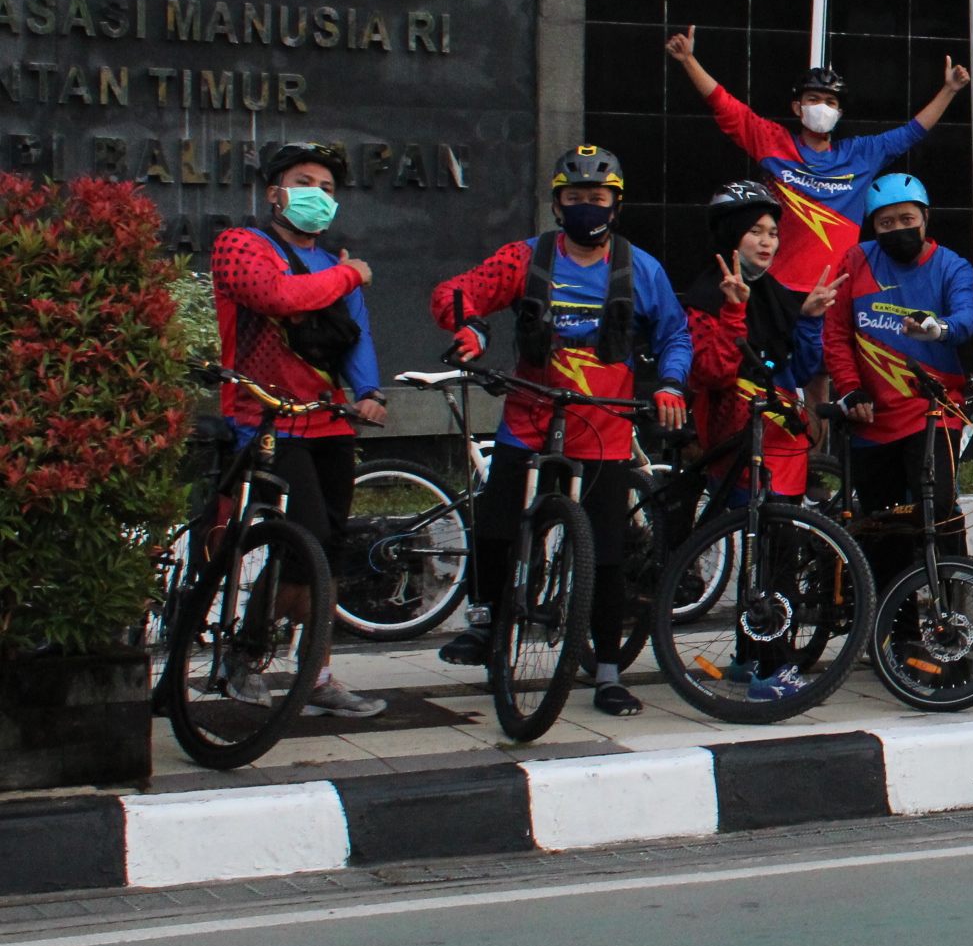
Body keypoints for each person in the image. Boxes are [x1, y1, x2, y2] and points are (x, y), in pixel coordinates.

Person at [431, 144, 691, 715]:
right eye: (575, 199)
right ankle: (487, 623)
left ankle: (606, 672)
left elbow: (676, 334)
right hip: (528, 424)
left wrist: (670, 384)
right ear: (556, 205)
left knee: (605, 557)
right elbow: (456, 292)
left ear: (615, 206)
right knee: (497, 529)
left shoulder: (640, 268)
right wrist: (470, 328)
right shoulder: (525, 258)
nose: (586, 208)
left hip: (603, 433)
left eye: (597, 199)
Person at [207, 140, 388, 718]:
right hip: (263, 419)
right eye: (305, 183)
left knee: (328, 548)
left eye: (328, 188)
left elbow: (355, 336)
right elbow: (276, 296)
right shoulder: (241, 246)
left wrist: (370, 392)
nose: (318, 195)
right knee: (303, 537)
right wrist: (348, 275)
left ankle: (318, 672)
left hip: (327, 419)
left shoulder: (336, 266)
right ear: (275, 193)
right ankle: (247, 653)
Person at [664, 27, 971, 291]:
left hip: (835, 292)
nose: (821, 107)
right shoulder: (773, 142)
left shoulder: (860, 155)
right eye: (813, 99)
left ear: (838, 113)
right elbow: (727, 107)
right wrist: (688, 60)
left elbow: (911, 132)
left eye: (830, 102)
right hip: (776, 288)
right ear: (797, 108)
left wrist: (949, 90)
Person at [823, 172, 973, 616]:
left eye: (906, 219)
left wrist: (939, 329)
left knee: (941, 511)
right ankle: (894, 627)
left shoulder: (952, 266)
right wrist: (850, 389)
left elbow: (967, 317)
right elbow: (835, 335)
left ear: (925, 218)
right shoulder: (855, 260)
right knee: (880, 525)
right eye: (885, 223)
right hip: (871, 421)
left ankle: (953, 617)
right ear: (872, 226)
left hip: (934, 413)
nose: (897, 230)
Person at [681, 182, 841, 501]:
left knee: (781, 548)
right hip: (736, 454)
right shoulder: (704, 297)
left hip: (786, 453)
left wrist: (810, 319)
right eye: (755, 230)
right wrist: (733, 310)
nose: (767, 242)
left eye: (773, 232)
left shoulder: (775, 295)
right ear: (731, 232)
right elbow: (713, 373)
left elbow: (799, 374)